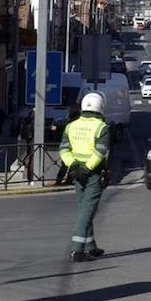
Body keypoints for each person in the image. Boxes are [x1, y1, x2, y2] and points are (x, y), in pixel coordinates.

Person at [59, 92, 111, 262]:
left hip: (76, 173)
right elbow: (100, 151)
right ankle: (77, 250)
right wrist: (87, 168)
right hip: (93, 174)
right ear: (100, 107)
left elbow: (63, 150)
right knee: (87, 213)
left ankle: (90, 246)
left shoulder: (71, 126)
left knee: (84, 209)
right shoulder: (101, 127)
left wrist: (74, 166)